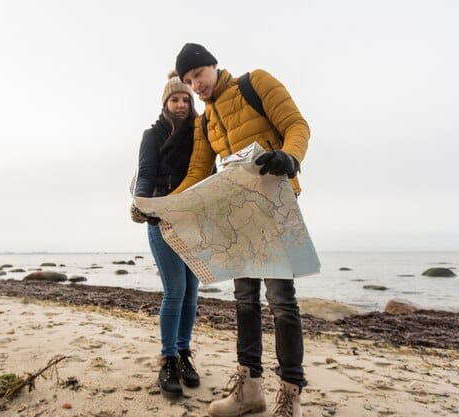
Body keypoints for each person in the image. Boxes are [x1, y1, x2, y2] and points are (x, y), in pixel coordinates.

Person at [173, 43, 310, 417]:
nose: (195, 85)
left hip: (276, 203)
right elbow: (199, 172)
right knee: (244, 299)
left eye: (198, 74)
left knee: (281, 300)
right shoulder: (204, 121)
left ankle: (290, 393)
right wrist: (164, 206)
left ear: (213, 66)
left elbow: (297, 125)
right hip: (238, 214)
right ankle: (249, 389)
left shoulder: (255, 83)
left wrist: (291, 158)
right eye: (187, 80)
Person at [130, 71, 201, 399]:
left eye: (186, 99)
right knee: (175, 290)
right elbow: (145, 173)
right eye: (175, 99)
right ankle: (168, 358)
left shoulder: (200, 132)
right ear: (165, 102)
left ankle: (185, 354)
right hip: (163, 219)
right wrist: (142, 204)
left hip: (196, 220)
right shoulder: (153, 134)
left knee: (191, 291)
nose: (181, 104)